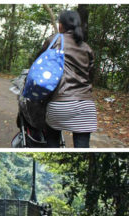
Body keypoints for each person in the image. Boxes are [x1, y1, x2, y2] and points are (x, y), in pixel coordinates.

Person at [38, 10, 97, 148]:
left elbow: (38, 65)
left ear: (61, 26)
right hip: (86, 106)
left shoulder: (54, 40)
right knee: (82, 147)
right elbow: (90, 75)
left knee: (52, 140)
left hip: (59, 104)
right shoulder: (87, 47)